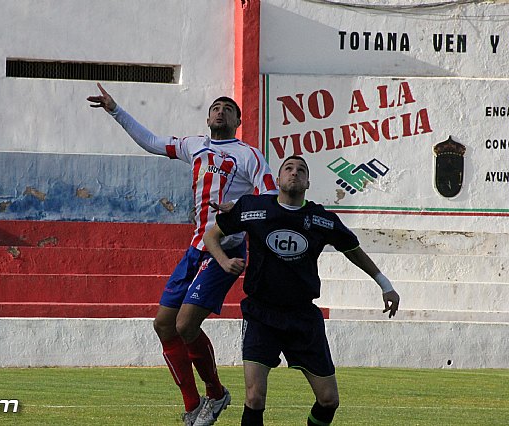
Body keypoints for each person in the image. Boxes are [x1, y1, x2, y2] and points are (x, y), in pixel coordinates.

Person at [87, 83, 277, 426]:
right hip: (195, 248)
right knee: (163, 325)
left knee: (186, 324)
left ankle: (216, 394)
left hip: (225, 249)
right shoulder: (194, 146)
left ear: (237, 121)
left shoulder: (249, 155)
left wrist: (238, 207)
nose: (221, 111)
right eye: (216, 107)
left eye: (228, 109)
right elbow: (153, 142)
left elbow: (271, 197)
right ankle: (193, 406)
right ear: (208, 118)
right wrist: (115, 110)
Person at [203, 155, 400, 426]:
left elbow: (353, 251)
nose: (294, 173)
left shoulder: (321, 219)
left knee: (329, 400)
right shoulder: (253, 208)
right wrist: (224, 261)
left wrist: (385, 285)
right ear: (279, 178)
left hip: (303, 318)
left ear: (308, 182)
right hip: (261, 313)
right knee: (254, 397)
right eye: (288, 168)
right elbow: (211, 235)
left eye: (301, 170)